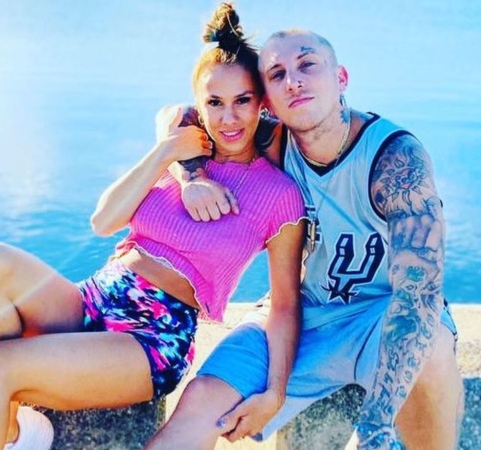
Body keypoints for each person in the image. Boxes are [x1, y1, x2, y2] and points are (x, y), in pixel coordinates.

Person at [0, 4, 305, 450]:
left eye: (242, 101)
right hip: (93, 298)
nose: (228, 118)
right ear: (198, 104)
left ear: (261, 103)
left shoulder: (279, 195)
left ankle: (7, 418)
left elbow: (285, 305)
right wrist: (167, 153)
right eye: (214, 103)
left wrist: (275, 392)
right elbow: (103, 221)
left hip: (152, 336)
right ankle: (14, 430)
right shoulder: (182, 155)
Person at [146, 28, 464, 450]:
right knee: (203, 400)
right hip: (302, 314)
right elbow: (180, 115)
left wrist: (376, 424)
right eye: (277, 74)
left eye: (307, 65)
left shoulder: (395, 158)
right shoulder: (274, 140)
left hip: (381, 316)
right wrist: (193, 178)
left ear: (341, 78)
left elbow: (420, 294)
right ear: (268, 101)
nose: (293, 81)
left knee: (433, 352)